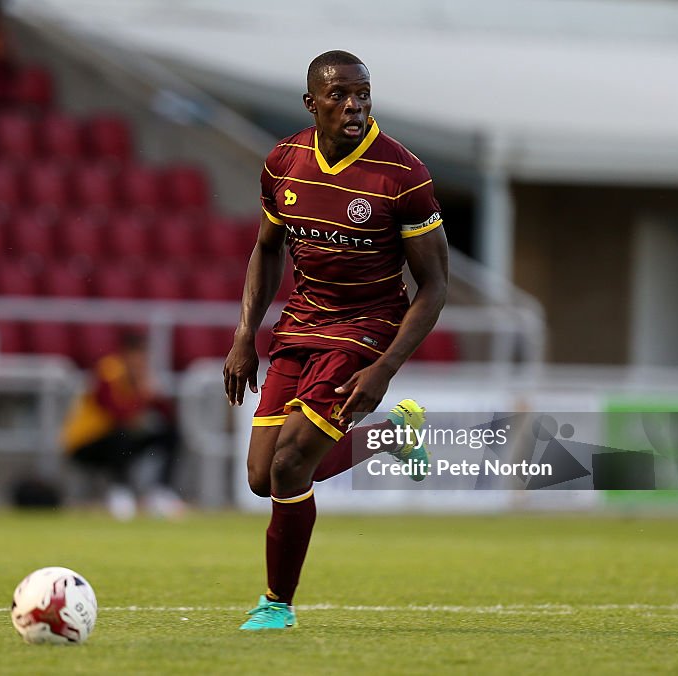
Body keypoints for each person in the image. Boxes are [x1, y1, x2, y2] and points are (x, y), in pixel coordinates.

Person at [223, 50, 449, 630]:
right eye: (340, 95)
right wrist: (246, 333)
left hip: (365, 329)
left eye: (363, 94)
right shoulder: (284, 162)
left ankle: (276, 605)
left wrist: (386, 367)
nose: (354, 105)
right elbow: (268, 248)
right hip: (300, 325)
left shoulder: (402, 175)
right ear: (312, 103)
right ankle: (393, 436)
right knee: (260, 477)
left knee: (292, 464)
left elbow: (435, 285)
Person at [61, 332, 184, 520]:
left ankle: (160, 491)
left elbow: (167, 414)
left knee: (169, 434)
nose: (142, 361)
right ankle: (120, 493)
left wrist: (156, 397)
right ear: (126, 354)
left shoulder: (140, 377)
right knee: (121, 436)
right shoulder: (109, 371)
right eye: (139, 355)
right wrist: (144, 396)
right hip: (85, 442)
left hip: (116, 439)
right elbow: (115, 412)